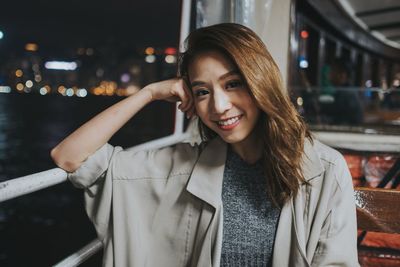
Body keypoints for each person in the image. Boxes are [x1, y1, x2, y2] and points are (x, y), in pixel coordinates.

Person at [51, 23, 359, 267]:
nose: (220, 106)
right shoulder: (183, 166)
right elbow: (70, 156)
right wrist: (149, 93)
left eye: (233, 84)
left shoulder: (323, 170)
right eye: (202, 92)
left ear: (261, 82)